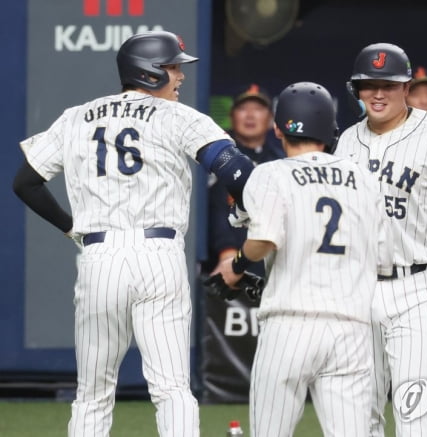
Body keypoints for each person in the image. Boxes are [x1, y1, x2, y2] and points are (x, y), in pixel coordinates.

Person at [12, 30, 255, 437]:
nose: (181, 76)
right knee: (172, 388)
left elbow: (25, 183)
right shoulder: (179, 117)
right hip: (158, 256)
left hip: (99, 257)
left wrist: (71, 228)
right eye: (174, 67)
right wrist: (243, 211)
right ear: (150, 73)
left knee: (91, 394)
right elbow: (238, 172)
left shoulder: (77, 116)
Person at [216, 81, 393, 437]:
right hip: (351, 329)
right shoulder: (365, 179)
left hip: (289, 325)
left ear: (278, 128)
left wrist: (235, 267)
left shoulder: (269, 173)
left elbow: (264, 240)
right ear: (331, 130)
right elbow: (384, 259)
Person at [336, 42, 427, 437]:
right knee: (359, 411)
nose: (379, 93)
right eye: (369, 85)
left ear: (406, 87)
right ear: (357, 89)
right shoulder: (347, 141)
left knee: (413, 409)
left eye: (388, 84)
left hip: (421, 288)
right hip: (361, 287)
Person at [205, 83, 284, 278]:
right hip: (224, 264)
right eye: (242, 108)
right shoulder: (217, 156)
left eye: (258, 109)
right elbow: (216, 208)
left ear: (270, 120)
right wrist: (227, 252)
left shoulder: (280, 161)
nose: (250, 115)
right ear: (231, 117)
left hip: (273, 266)